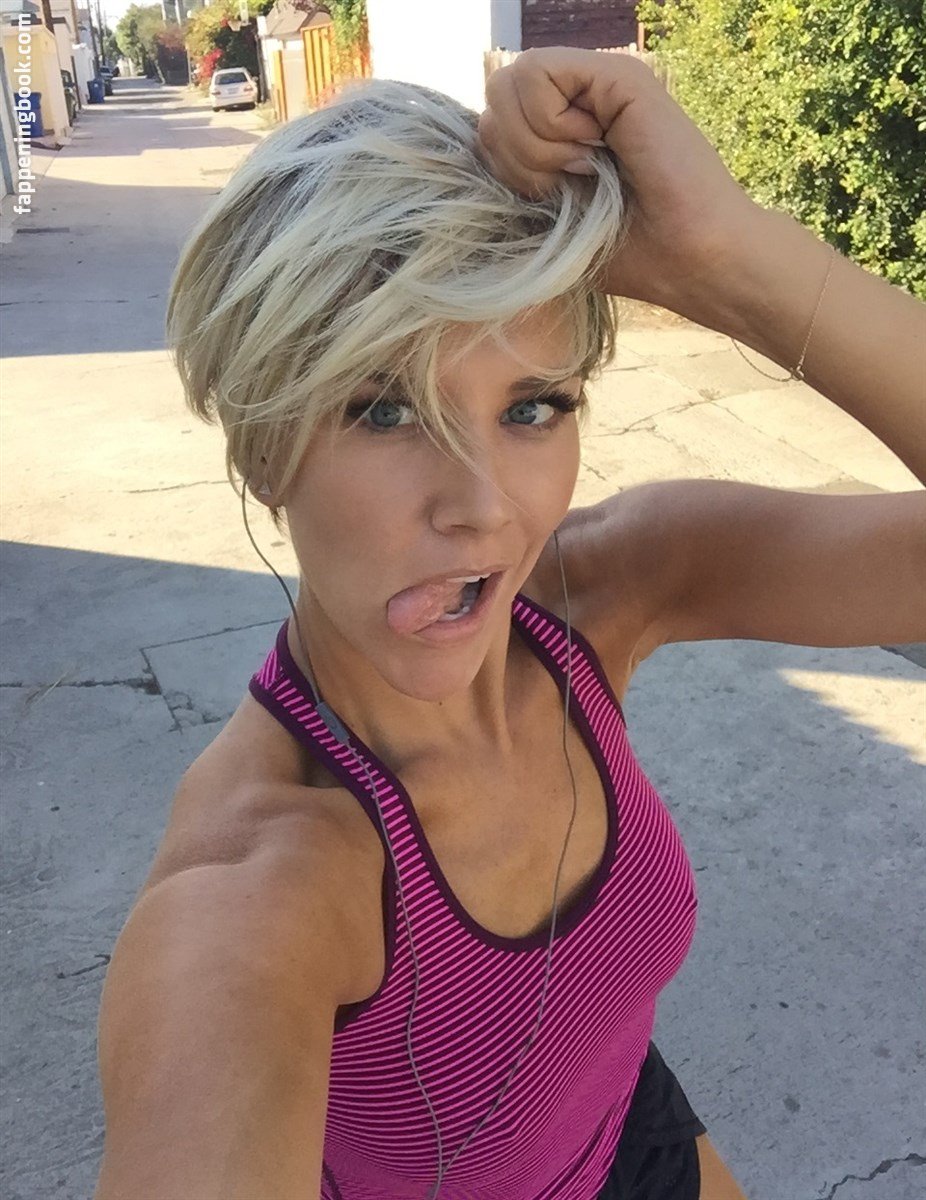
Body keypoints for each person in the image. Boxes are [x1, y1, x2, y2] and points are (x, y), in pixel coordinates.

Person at [93, 48, 925, 1200]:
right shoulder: (255, 897)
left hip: (633, 1125)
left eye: (531, 406)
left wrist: (724, 256)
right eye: (383, 410)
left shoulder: (600, 595)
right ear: (261, 445)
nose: (483, 508)